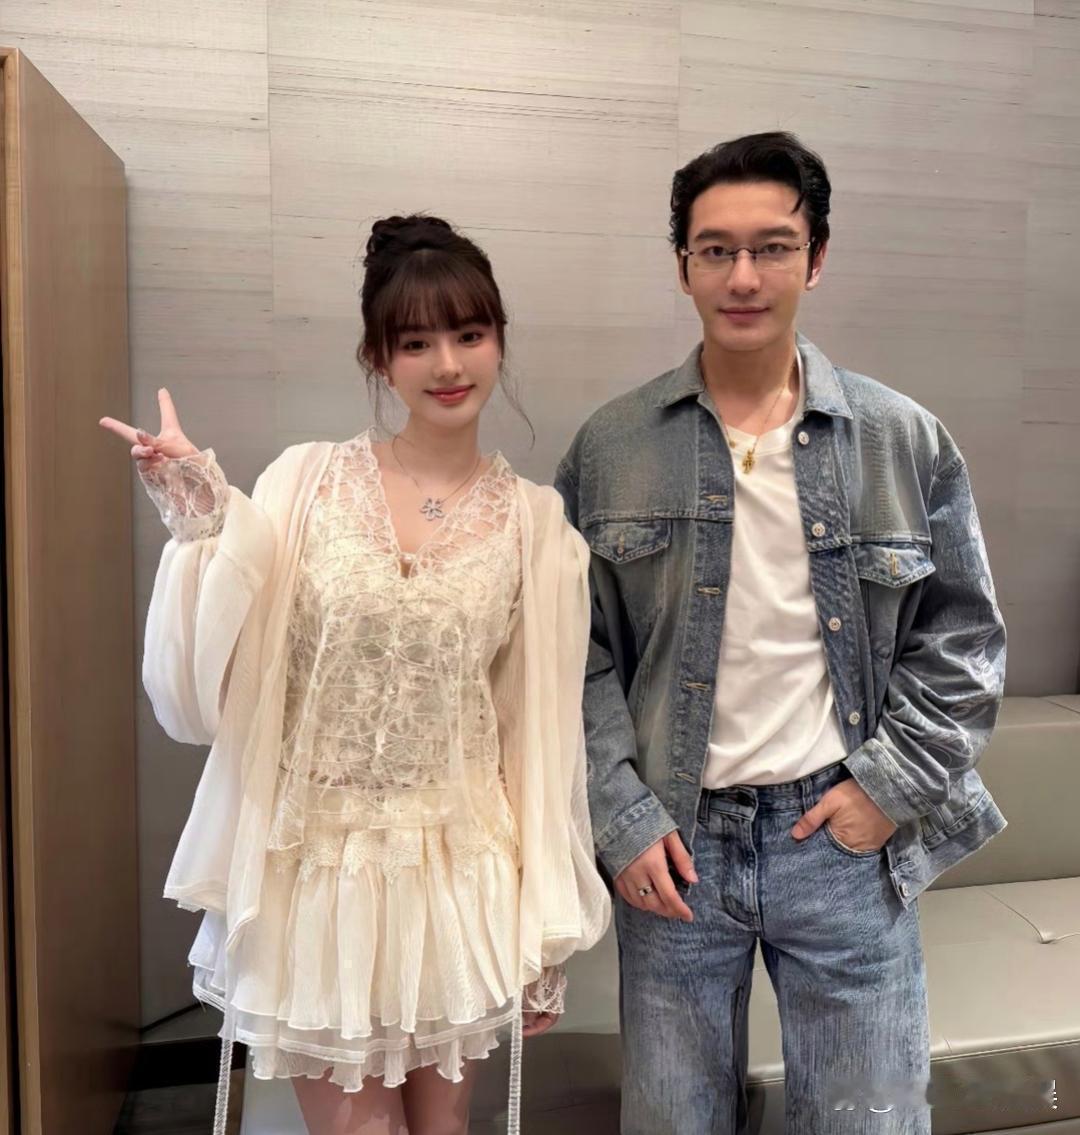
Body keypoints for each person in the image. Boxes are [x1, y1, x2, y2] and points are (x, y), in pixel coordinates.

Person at [101, 214, 610, 1135]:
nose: (447, 363)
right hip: (315, 866)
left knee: (443, 1130)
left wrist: (543, 926)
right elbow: (221, 653)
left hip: (457, 868)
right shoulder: (305, 484)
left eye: (469, 333)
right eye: (415, 342)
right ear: (378, 358)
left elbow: (537, 735)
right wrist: (202, 513)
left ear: (498, 340)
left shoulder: (537, 527)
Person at [555, 132, 1007, 1134]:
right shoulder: (612, 448)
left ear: (818, 256)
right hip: (675, 847)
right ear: (682, 265)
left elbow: (964, 640)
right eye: (716, 250)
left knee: (867, 1120)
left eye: (773, 247)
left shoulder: (902, 438)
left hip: (843, 839)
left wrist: (887, 789)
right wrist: (621, 819)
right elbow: (568, 656)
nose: (744, 276)